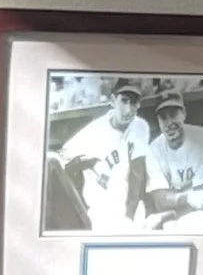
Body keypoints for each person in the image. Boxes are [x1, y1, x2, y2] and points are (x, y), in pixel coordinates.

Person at [48, 77, 150, 228]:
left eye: (133, 103)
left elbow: (137, 174)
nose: (128, 110)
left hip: (132, 205)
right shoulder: (94, 132)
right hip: (101, 210)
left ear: (139, 104)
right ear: (113, 100)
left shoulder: (141, 127)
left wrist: (129, 216)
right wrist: (87, 162)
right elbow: (57, 160)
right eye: (124, 101)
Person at [139, 91, 203, 229]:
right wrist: (186, 198)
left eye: (173, 115)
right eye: (163, 118)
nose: (169, 123)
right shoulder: (153, 149)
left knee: (190, 227)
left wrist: (172, 205)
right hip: (171, 212)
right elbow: (160, 201)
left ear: (183, 114)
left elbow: (202, 199)